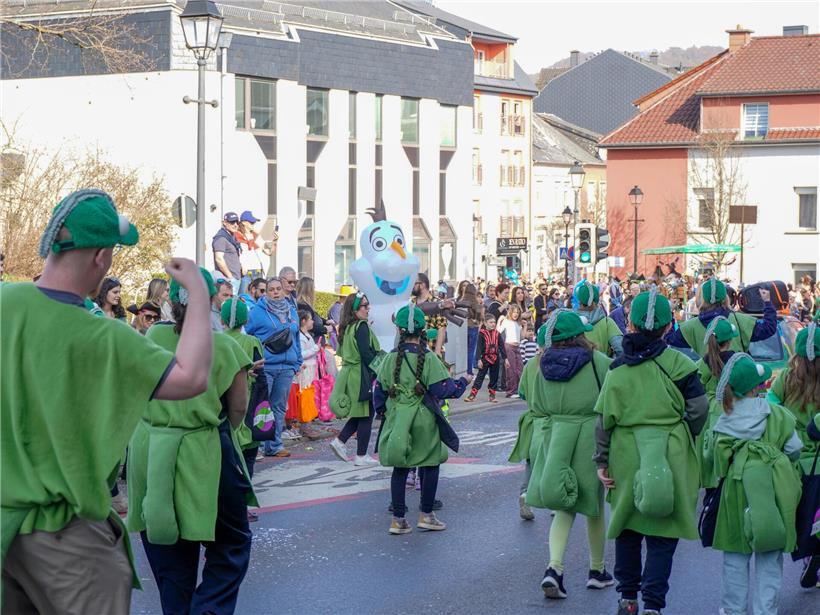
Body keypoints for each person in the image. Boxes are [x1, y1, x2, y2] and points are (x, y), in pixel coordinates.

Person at [1, 188, 213, 614]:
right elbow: (192, 377)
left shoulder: (6, 302)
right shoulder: (106, 338)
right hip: (67, 536)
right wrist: (198, 292)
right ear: (101, 257)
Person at [127, 269, 255, 615]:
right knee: (231, 542)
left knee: (169, 553)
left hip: (151, 447)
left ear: (170, 300)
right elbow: (238, 407)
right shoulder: (224, 346)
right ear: (213, 299)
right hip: (203, 448)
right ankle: (208, 609)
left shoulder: (151, 335)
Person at [594, 289, 708, 615]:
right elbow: (699, 410)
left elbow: (603, 421)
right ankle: (653, 606)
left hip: (626, 452)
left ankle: (627, 598)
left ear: (629, 324)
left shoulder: (617, 369)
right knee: (663, 534)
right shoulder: (681, 365)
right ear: (668, 325)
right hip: (670, 451)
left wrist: (601, 461)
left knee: (628, 529)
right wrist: (685, 431)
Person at [513, 310, 614, 600]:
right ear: (580, 335)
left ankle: (554, 568)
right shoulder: (599, 362)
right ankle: (597, 570)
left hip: (556, 435)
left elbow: (537, 407)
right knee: (592, 505)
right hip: (591, 436)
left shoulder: (539, 364)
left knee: (564, 505)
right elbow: (611, 400)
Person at [710, 354, 803, 615]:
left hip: (736, 494)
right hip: (772, 493)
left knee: (735, 558)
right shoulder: (779, 415)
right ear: (756, 387)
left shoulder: (723, 420)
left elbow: (717, 463)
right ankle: (766, 611)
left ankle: (733, 610)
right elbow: (795, 449)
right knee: (770, 558)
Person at [374, 305, 470, 534]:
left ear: (399, 329)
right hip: (424, 419)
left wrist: (384, 412)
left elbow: (378, 391)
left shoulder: (389, 359)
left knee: (400, 467)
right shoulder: (429, 359)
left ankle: (398, 520)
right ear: (423, 328)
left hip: (398, 418)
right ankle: (426, 514)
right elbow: (444, 388)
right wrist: (464, 382)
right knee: (430, 462)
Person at [767, 322, 820, 587]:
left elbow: (770, 409)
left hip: (793, 461)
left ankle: (805, 553)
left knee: (800, 515)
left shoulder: (786, 378)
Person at [245, 276, 302, 458]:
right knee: (262, 406)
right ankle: (259, 445)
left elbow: (297, 338)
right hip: (267, 365)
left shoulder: (292, 311)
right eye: (271, 289)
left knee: (278, 407)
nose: (276, 292)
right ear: (266, 292)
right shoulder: (257, 312)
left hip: (287, 366)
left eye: (278, 289)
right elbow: (248, 335)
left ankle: (275, 445)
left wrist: (297, 361)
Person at [329, 292, 381, 466]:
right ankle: (360, 455)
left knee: (361, 413)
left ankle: (340, 441)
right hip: (361, 375)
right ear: (355, 309)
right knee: (367, 414)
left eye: (368, 304)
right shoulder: (361, 326)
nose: (368, 308)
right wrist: (381, 370)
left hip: (351, 373)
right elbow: (367, 355)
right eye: (364, 306)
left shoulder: (347, 327)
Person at [667, 278, 777, 356]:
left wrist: (670, 311)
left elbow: (669, 338)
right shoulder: (740, 320)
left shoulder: (691, 326)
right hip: (737, 383)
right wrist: (767, 302)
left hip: (707, 384)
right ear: (726, 297)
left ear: (702, 298)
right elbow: (768, 329)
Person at [220, 297, 265, 482]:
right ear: (246, 320)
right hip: (248, 405)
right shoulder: (252, 341)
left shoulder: (218, 341)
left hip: (223, 407)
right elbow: (261, 376)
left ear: (222, 320)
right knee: (248, 459)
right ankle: (245, 500)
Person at [695, 317, 738, 491]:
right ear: (729, 340)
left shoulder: (702, 363)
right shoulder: (737, 360)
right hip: (733, 409)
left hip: (709, 415)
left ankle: (711, 490)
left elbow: (697, 389)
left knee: (709, 452)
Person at [574, 279, 623, 357]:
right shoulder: (607, 322)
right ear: (597, 300)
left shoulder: (572, 322)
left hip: (578, 367)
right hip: (603, 367)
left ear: (579, 300)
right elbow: (621, 349)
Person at [464, 313, 506, 403]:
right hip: (485, 358)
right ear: (485, 323)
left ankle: (492, 395)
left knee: (494, 377)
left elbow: (502, 346)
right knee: (480, 376)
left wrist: (505, 359)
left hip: (495, 358)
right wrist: (478, 359)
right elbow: (478, 347)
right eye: (490, 322)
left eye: (494, 322)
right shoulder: (482, 334)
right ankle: (472, 394)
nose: (493, 324)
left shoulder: (497, 334)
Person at [235, 210, 271, 295]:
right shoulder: (237, 236)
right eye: (251, 223)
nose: (253, 224)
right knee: (245, 296)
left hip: (258, 270)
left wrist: (275, 240)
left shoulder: (255, 235)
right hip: (246, 271)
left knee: (259, 296)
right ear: (244, 223)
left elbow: (267, 251)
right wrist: (241, 266)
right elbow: (237, 254)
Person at [212, 212, 243, 294]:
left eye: (237, 222)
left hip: (236, 278)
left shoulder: (231, 237)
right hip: (228, 281)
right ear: (224, 223)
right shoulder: (221, 238)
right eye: (232, 222)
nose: (235, 224)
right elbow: (219, 259)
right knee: (229, 305)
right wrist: (230, 277)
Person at [460, 282, 483, 376]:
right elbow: (478, 311)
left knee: (463, 351)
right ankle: (469, 372)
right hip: (473, 327)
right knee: (471, 351)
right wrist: (476, 319)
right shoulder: (474, 301)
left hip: (463, 327)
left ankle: (462, 371)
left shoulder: (462, 300)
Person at [295, 276, 328, 342]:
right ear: (309, 290)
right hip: (312, 342)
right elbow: (308, 326)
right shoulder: (303, 306)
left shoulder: (304, 305)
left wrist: (326, 321)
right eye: (313, 288)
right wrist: (325, 329)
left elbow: (314, 317)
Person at [500, 304, 523, 398]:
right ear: (510, 312)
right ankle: (510, 391)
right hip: (509, 346)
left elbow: (521, 337)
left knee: (520, 369)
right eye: (514, 312)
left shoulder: (518, 323)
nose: (516, 314)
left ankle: (518, 389)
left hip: (517, 347)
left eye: (517, 312)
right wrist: (499, 321)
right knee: (511, 369)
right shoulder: (506, 321)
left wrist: (524, 326)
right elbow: (498, 331)